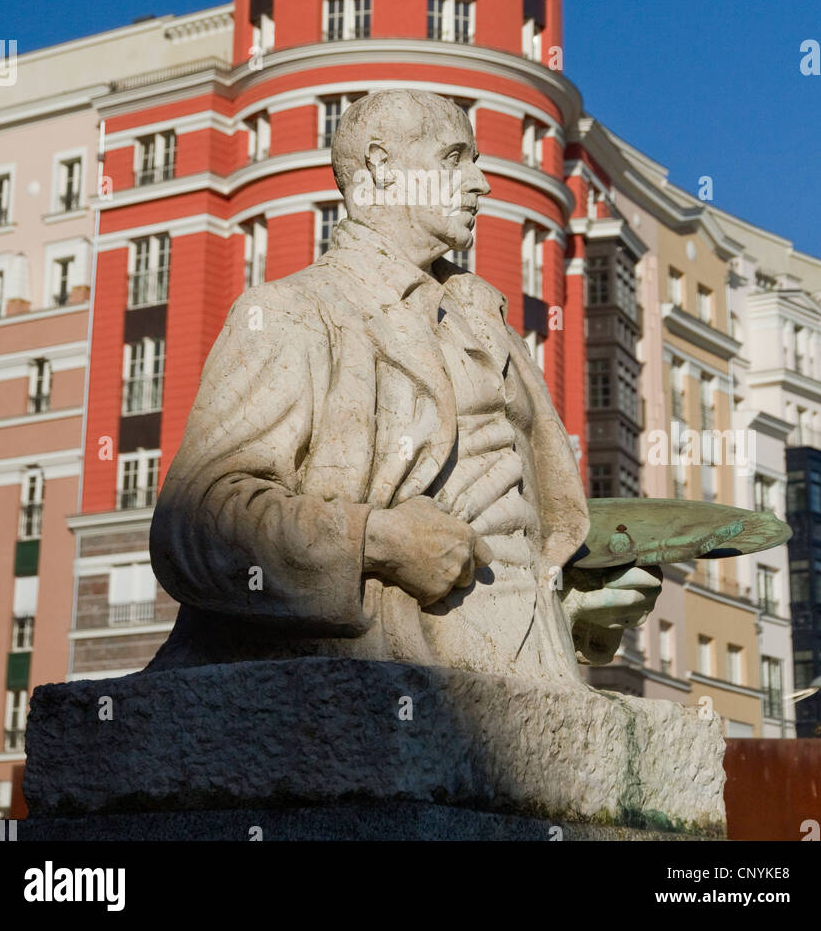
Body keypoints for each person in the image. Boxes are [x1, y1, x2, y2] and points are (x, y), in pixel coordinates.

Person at [148, 90, 660, 677]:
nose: (480, 184)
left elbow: (518, 524)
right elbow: (195, 524)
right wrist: (378, 541)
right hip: (403, 680)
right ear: (381, 166)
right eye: (454, 158)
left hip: (529, 671)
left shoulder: (493, 327)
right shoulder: (294, 313)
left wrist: (576, 605)